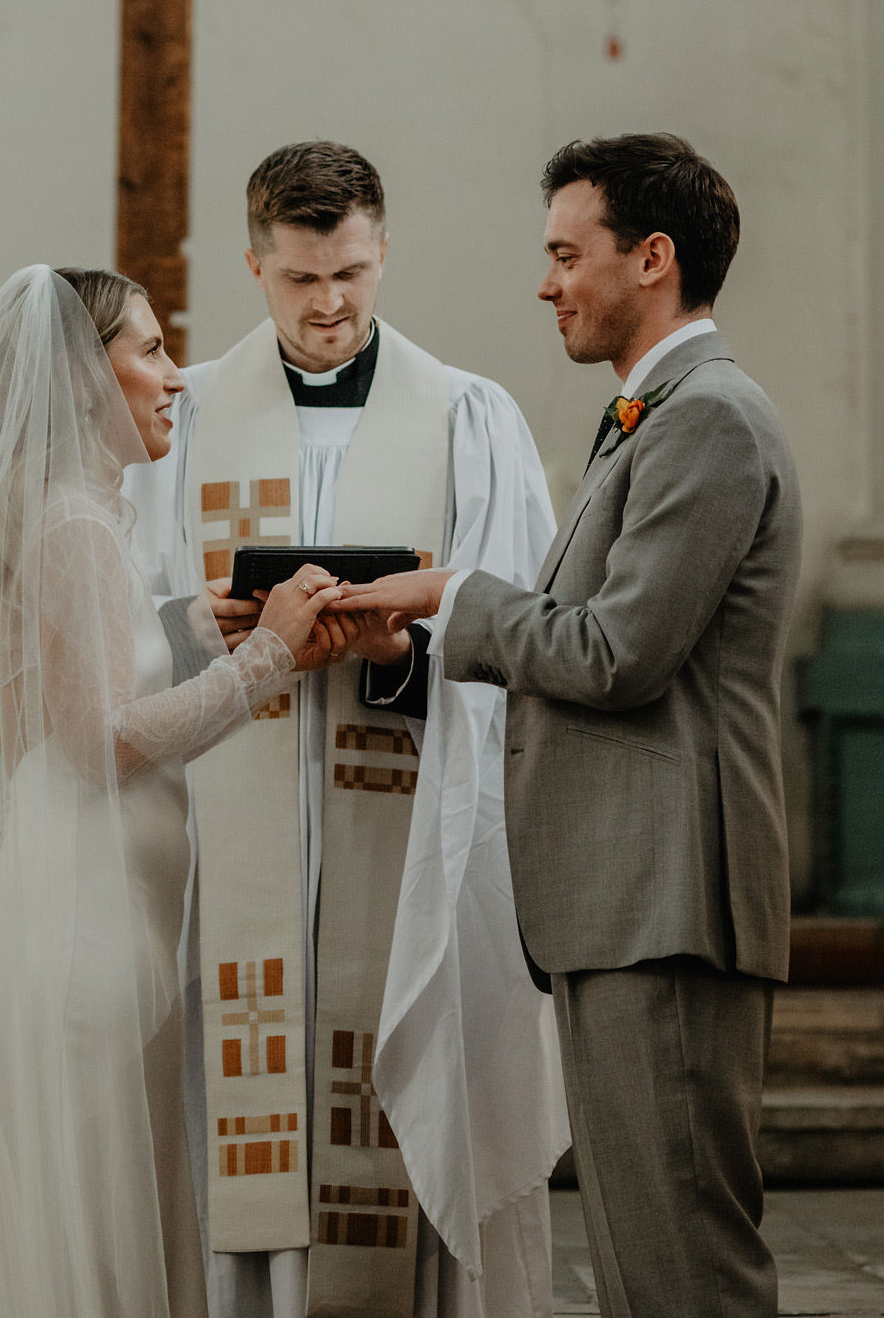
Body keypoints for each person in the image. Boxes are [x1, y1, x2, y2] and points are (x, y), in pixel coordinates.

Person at [339, 134, 804, 1318]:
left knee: (682, 1267)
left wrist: (451, 595)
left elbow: (615, 651)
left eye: (564, 253)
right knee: (646, 1266)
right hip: (620, 902)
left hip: (663, 897)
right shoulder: (651, 414)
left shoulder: (708, 417)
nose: (545, 283)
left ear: (650, 258)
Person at [0, 266, 350, 1318]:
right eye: (152, 350)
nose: (174, 377)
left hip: (69, 905)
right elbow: (101, 736)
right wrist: (268, 653)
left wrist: (193, 626)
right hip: (79, 929)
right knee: (90, 1239)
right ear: (84, 377)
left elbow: (64, 694)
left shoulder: (63, 515)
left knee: (73, 1227)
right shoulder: (71, 523)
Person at [129, 143, 567, 1318]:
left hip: (407, 821)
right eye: (298, 278)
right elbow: (116, 623)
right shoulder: (189, 412)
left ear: (384, 251)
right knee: (245, 1082)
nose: (328, 304)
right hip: (230, 828)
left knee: (390, 1049)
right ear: (252, 264)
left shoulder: (468, 416)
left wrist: (403, 648)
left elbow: (524, 619)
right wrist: (203, 623)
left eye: (352, 273)